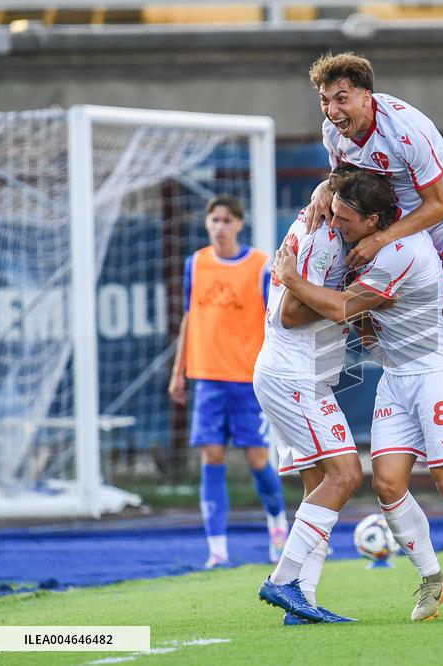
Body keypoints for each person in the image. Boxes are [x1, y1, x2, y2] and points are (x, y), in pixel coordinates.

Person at [273, 169, 443, 621]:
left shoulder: (402, 251)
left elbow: (343, 307)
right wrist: (321, 196)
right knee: (386, 484)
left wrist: (290, 278)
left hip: (436, 370)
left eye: (346, 220)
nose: (338, 226)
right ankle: (433, 579)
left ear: (374, 221)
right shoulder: (366, 236)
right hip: (396, 373)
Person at [303, 51, 443, 459]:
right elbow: (344, 177)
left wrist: (379, 239)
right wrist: (325, 187)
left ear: (366, 96)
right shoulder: (332, 131)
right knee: (360, 307)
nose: (332, 109)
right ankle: (404, 380)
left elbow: (439, 205)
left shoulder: (407, 130)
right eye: (325, 99)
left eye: (341, 98)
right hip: (396, 223)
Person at [254, 172, 360, 625]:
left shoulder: (319, 217)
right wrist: (348, 302)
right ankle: (282, 580)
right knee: (347, 474)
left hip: (297, 373)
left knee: (319, 486)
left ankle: (303, 603)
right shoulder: (325, 237)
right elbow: (292, 313)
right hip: (294, 376)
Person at [167, 194, 286, 569]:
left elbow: (274, 322)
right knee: (211, 455)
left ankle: (278, 527)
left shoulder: (260, 265)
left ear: (238, 223)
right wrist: (178, 371)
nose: (219, 227)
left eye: (225, 220)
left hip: (247, 378)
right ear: (207, 224)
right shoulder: (196, 263)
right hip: (207, 377)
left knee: (256, 458)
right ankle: (216, 549)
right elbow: (189, 317)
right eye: (213, 220)